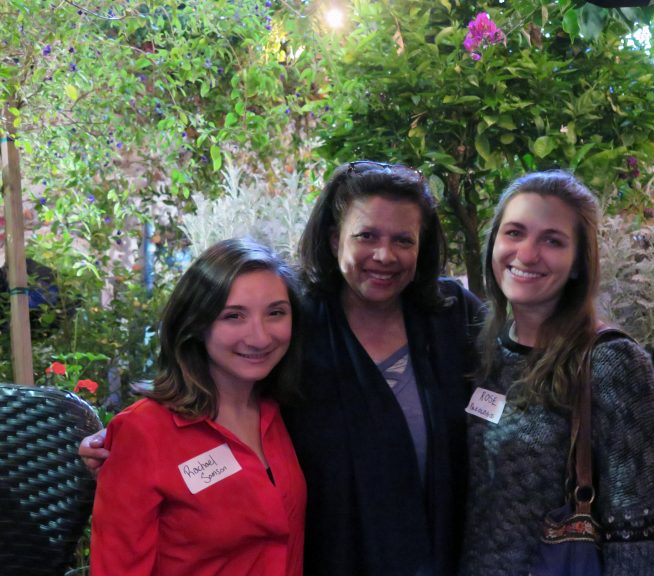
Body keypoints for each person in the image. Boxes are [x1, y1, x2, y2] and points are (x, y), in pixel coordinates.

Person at [81, 161, 484, 576]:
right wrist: (127, 441)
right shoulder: (299, 323)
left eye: (404, 239)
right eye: (366, 235)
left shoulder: (452, 317)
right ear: (333, 239)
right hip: (331, 558)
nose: (384, 255)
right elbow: (206, 388)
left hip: (444, 554)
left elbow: (516, 391)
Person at [460, 171, 654, 576]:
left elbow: (638, 533)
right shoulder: (484, 348)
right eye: (514, 232)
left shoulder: (612, 363)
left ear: (578, 264)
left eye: (552, 240)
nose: (527, 253)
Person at [89, 238, 306, 576]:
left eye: (275, 313)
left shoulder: (280, 412)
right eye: (234, 316)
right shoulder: (144, 432)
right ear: (196, 325)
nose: (260, 337)